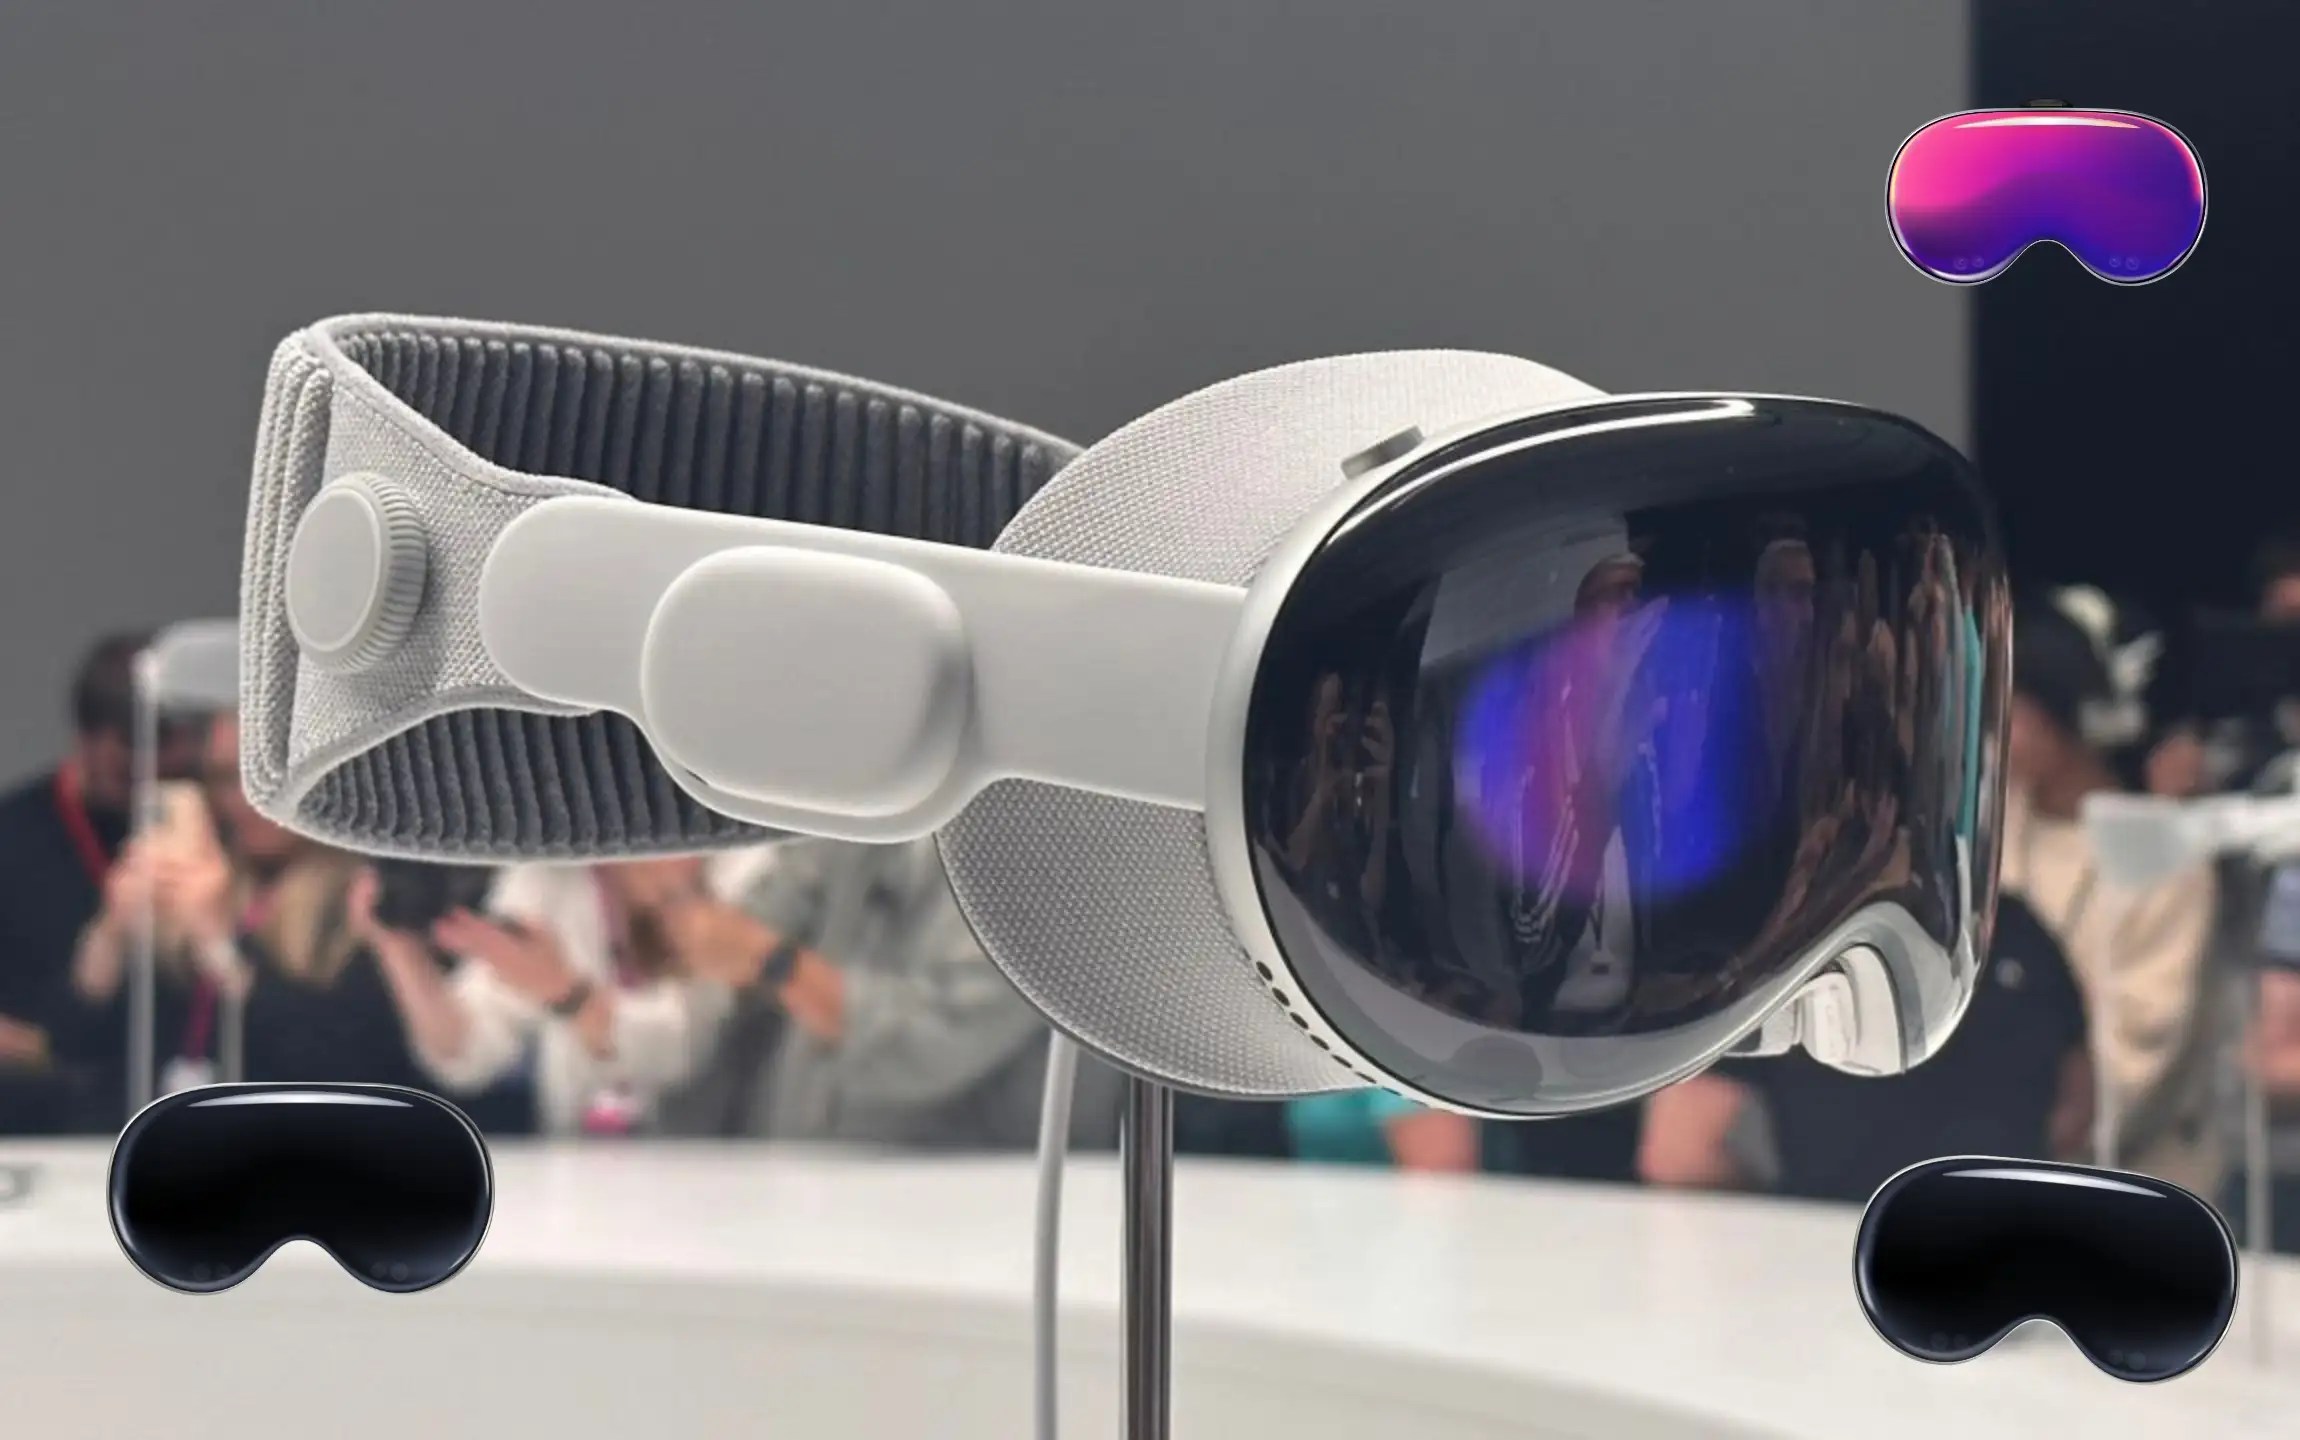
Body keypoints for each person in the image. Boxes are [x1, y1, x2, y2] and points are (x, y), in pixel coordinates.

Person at [59, 712, 424, 1115]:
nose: (246, 799)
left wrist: (220, 947)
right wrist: (111, 931)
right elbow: (74, 1045)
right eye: (224, 778)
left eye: (265, 777)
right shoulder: (204, 879)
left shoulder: (364, 898)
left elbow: (351, 1063)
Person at [653, 835, 1118, 1149]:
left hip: (967, 1208)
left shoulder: (1052, 856)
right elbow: (763, 913)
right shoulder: (870, 801)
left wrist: (774, 963)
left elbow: (933, 1040)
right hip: (804, 1177)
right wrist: (674, 892)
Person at [1637, 895, 2091, 1200]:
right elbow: (1680, 1150)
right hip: (1849, 1256)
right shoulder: (1779, 935)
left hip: (1985, 1258)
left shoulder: (2022, 934)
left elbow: (2076, 1112)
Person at [1999, 589, 2223, 1196]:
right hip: (1987, 1145)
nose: (1993, 729)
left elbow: (2142, 1040)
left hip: (2131, 1180)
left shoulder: (2164, 854)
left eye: (2012, 708)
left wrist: (2035, 1121)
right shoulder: (1991, 826)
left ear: (2074, 715)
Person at [369, 852, 757, 1137]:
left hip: (729, 1161)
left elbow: (689, 1047)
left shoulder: (748, 866)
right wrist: (399, 948)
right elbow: (468, 1054)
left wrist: (566, 993)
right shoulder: (554, 871)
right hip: (577, 1170)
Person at [0, 634, 202, 1132]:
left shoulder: (199, 824)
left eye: (167, 756)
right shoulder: (14, 834)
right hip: (39, 1116)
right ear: (86, 739)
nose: (150, 775)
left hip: (172, 1104)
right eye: (131, 758)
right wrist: (43, 1047)